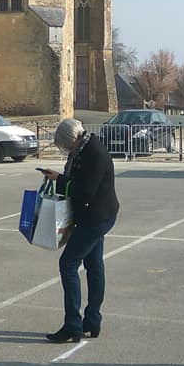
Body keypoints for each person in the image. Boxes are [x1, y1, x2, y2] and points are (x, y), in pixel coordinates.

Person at [41, 117, 119, 343]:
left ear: (73, 139)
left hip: (96, 217)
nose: (67, 151)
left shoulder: (93, 153)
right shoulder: (85, 148)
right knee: (94, 265)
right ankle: (92, 322)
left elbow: (85, 192)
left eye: (66, 146)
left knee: (68, 264)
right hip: (95, 215)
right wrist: (60, 178)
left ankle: (73, 325)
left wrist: (60, 179)